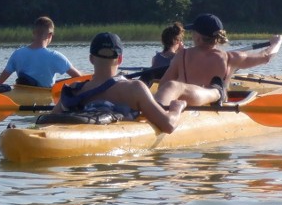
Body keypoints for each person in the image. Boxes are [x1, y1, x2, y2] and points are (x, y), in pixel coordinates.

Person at [48, 32, 186, 133]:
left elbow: (48, 122)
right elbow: (168, 126)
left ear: (91, 59)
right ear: (120, 60)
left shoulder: (74, 90)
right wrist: (176, 109)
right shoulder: (135, 88)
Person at [155, 13, 282, 107]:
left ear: (198, 37)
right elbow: (266, 56)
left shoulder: (181, 56)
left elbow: (163, 85)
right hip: (217, 108)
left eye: (193, 32)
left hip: (187, 106)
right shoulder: (231, 58)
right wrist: (276, 43)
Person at [0, 16, 83, 88]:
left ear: (34, 32)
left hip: (21, 98)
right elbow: (79, 77)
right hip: (44, 100)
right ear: (50, 35)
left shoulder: (17, 54)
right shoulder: (55, 56)